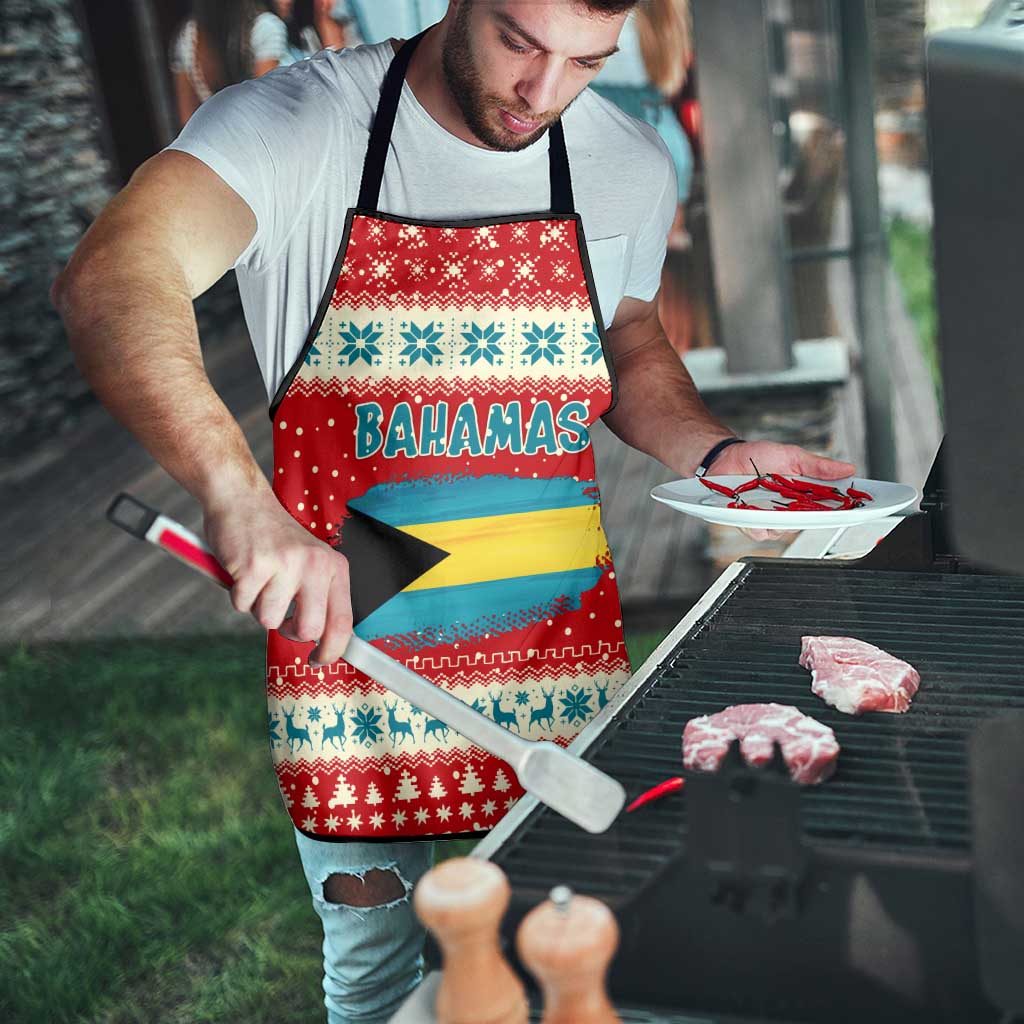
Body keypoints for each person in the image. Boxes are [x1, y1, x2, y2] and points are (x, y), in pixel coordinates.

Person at [53, 2, 856, 1020]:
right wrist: (237, 496)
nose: (543, 93)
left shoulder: (625, 161)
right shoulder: (299, 126)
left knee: (584, 959)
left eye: (586, 62)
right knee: (379, 980)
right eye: (520, 42)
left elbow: (628, 337)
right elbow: (114, 276)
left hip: (556, 650)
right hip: (356, 659)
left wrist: (715, 450)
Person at [170, 0, 289, 127]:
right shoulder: (265, 27)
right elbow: (266, 107)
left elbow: (187, 119)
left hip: (215, 135)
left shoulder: (188, 36)